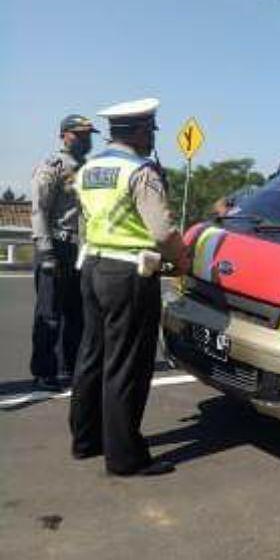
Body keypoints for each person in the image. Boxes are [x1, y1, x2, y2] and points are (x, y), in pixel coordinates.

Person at [69, 98, 190, 476]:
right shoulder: (141, 172)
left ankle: (86, 440)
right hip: (129, 274)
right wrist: (182, 258)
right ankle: (125, 458)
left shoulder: (90, 169)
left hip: (91, 266)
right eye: (150, 131)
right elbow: (161, 231)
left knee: (92, 354)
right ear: (139, 132)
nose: (151, 137)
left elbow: (87, 221)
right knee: (127, 365)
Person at [29, 114, 98, 392]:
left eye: (88, 135)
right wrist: (45, 252)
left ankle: (69, 368)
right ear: (64, 135)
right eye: (79, 134)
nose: (85, 140)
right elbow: (39, 210)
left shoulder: (90, 169)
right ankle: (44, 372)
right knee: (49, 313)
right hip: (56, 246)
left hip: (79, 250)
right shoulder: (52, 166)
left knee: (76, 314)